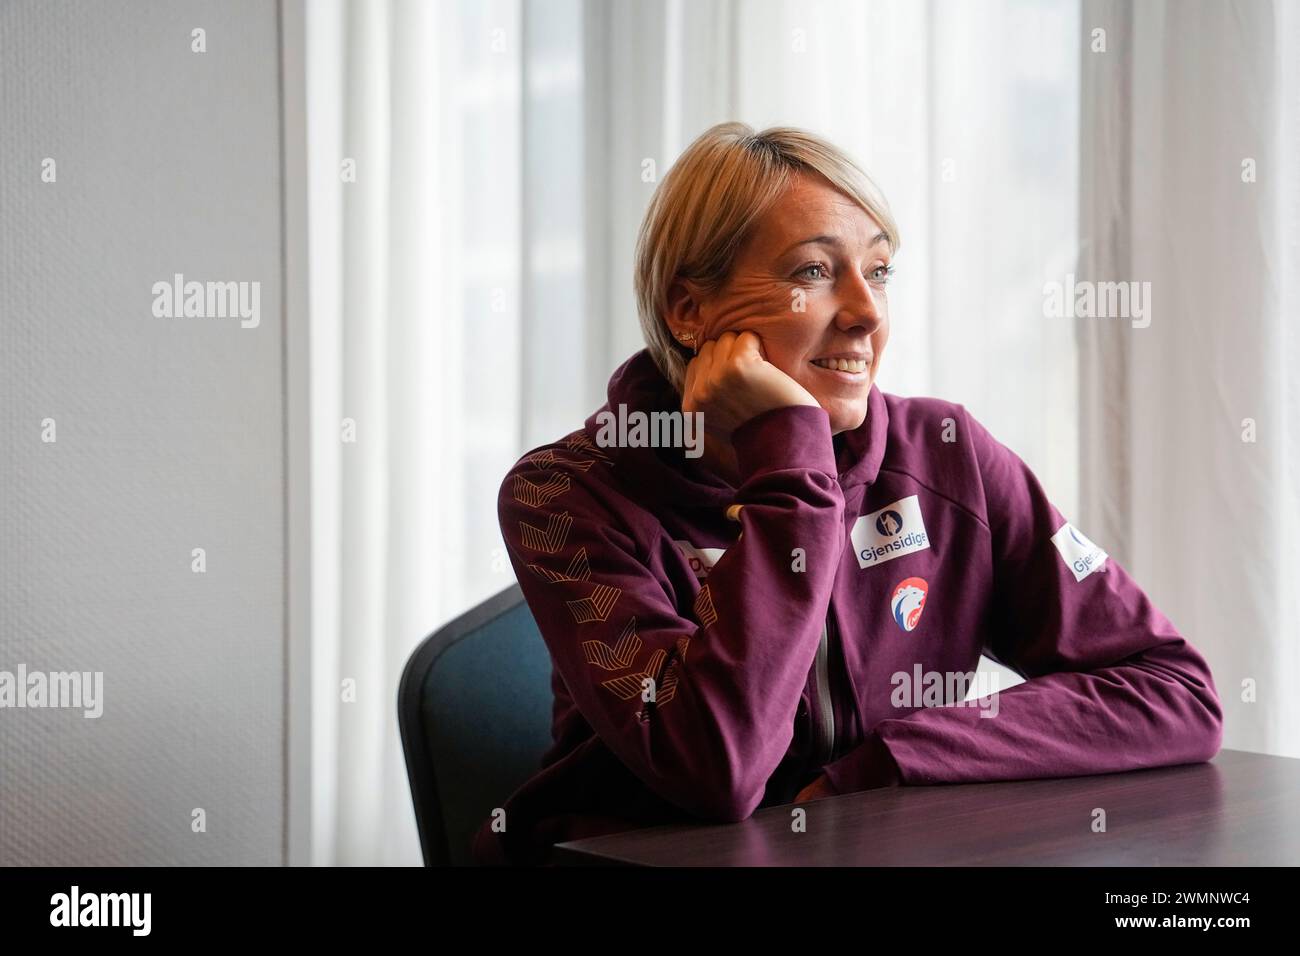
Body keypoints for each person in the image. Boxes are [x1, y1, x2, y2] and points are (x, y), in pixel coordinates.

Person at [472, 121, 1222, 866]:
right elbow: (716, 771)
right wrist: (791, 464)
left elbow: (1174, 691)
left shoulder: (947, 457)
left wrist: (895, 762)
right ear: (689, 311)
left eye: (880, 270)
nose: (867, 312)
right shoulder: (561, 497)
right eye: (813, 272)